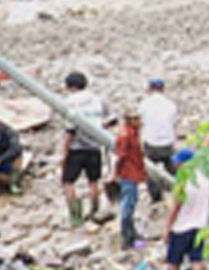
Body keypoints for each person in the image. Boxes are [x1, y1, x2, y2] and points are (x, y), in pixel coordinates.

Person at [59, 71, 107, 228]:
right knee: (94, 181)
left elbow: (69, 129)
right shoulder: (98, 99)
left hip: (77, 147)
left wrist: (63, 153)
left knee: (68, 182)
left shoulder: (70, 102)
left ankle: (75, 216)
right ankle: (94, 211)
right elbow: (108, 120)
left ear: (70, 86)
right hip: (95, 145)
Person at [163, 149, 209, 270]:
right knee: (197, 259)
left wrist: (167, 227)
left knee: (173, 261)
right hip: (200, 224)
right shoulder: (204, 179)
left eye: (178, 163)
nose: (176, 165)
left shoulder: (183, 181)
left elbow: (176, 207)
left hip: (181, 226)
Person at [137, 78, 178, 201]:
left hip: (151, 142)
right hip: (167, 142)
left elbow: (141, 122)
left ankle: (156, 197)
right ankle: (176, 190)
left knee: (150, 170)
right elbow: (173, 122)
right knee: (172, 168)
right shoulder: (171, 105)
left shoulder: (144, 104)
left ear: (149, 88)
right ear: (163, 89)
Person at [113, 112, 147, 249]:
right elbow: (120, 156)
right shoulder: (126, 136)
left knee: (130, 203)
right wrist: (115, 173)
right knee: (127, 204)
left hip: (132, 172)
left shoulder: (132, 133)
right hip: (128, 173)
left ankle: (131, 234)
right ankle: (127, 237)